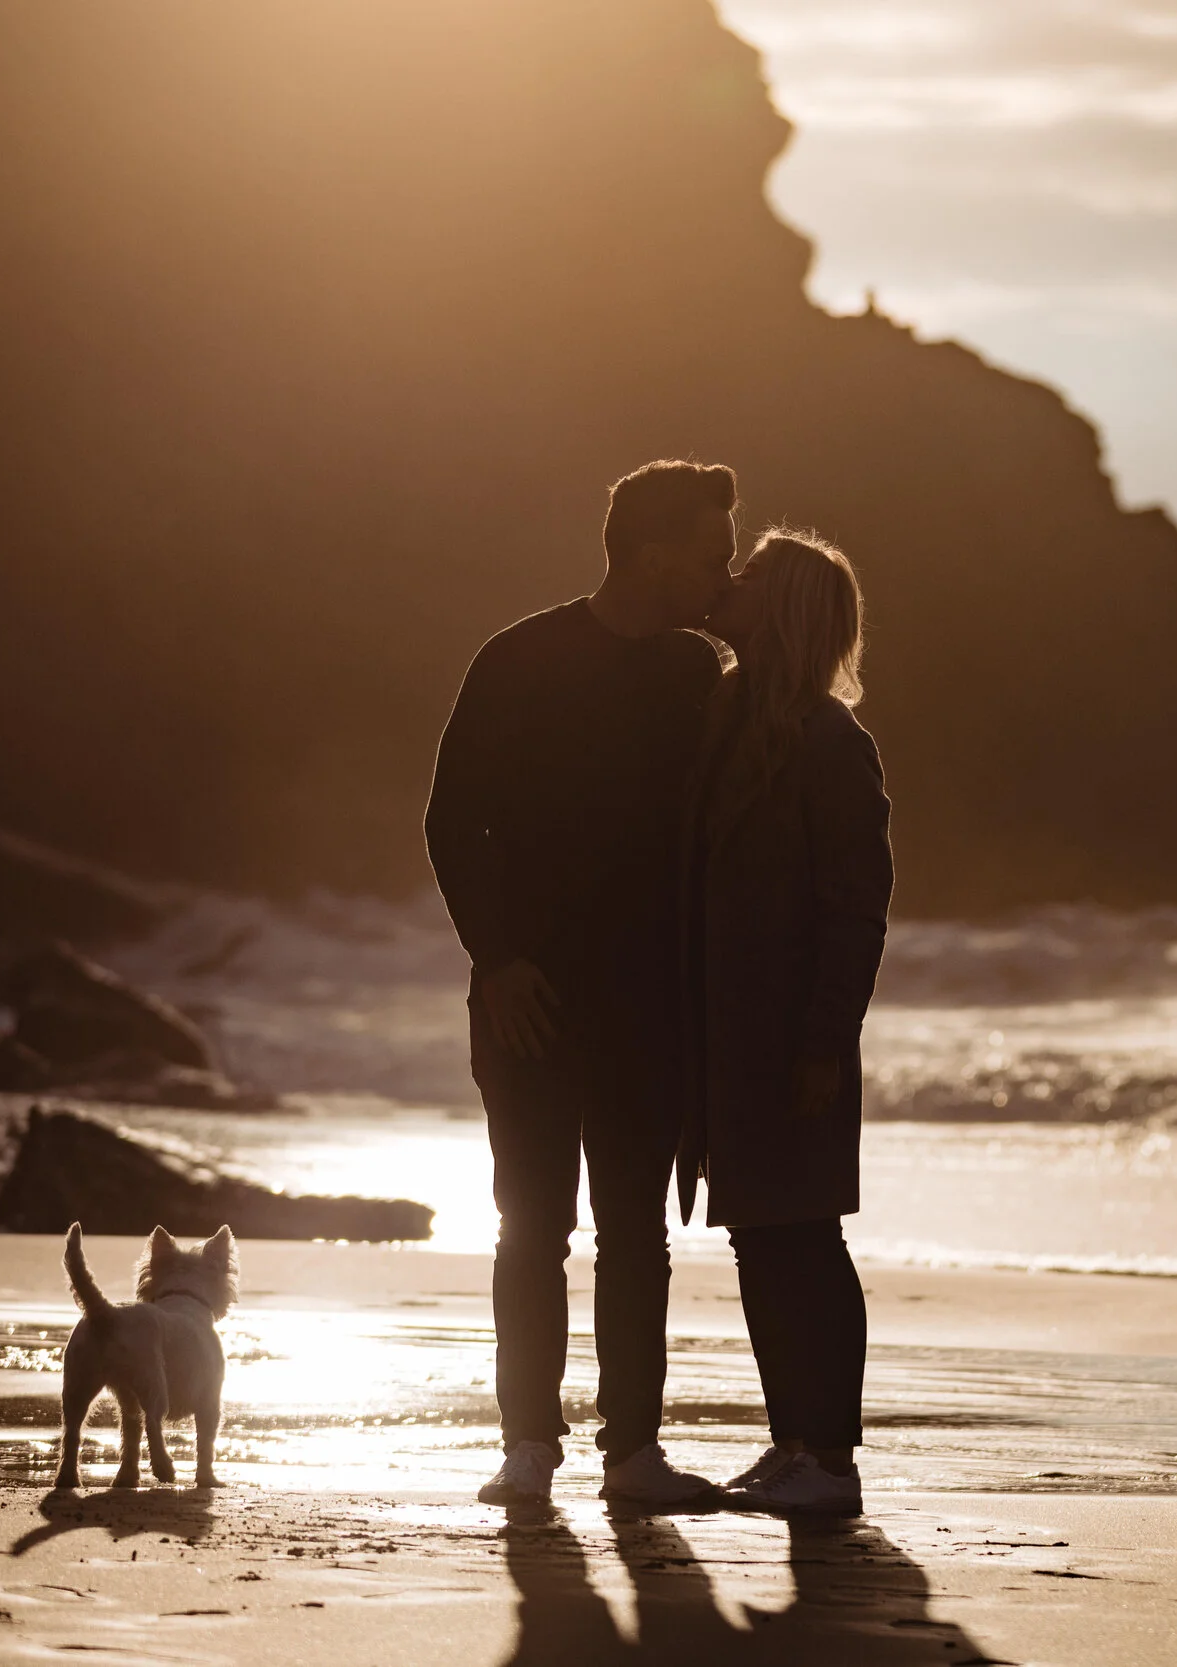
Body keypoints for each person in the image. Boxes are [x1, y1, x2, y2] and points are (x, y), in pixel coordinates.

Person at [425, 460, 737, 1509]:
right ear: (650, 554)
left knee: (635, 1232)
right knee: (533, 1226)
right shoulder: (522, 658)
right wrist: (498, 959)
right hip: (531, 1000)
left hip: (651, 1005)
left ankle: (632, 1452)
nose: (722, 569)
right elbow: (450, 819)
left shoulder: (703, 674)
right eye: (708, 549)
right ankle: (528, 1448)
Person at [683, 528, 891, 1518]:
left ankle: (832, 1456)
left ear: (792, 608)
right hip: (728, 1031)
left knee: (805, 1235)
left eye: (753, 576)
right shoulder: (726, 719)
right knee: (758, 1237)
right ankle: (791, 1440)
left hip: (793, 1037)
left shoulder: (828, 740)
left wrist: (820, 1042)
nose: (732, 582)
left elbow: (856, 907)